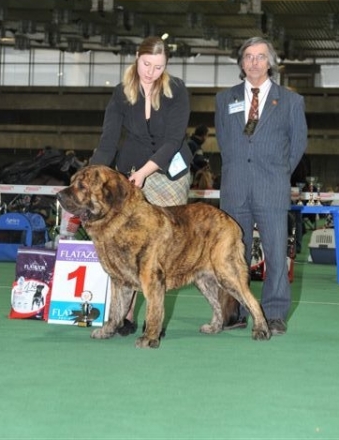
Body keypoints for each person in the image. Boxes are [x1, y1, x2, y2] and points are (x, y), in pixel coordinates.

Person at [89, 36, 192, 335]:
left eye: (159, 67)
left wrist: (146, 172)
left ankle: (155, 319)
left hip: (167, 171)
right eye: (147, 64)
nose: (151, 72)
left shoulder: (177, 90)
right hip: (129, 172)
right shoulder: (122, 93)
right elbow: (109, 139)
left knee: (160, 246)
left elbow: (174, 140)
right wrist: (93, 174)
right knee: (127, 245)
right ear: (137, 57)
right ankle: (126, 316)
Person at [215, 37, 307, 335]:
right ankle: (235, 311)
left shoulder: (291, 101)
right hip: (235, 187)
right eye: (248, 57)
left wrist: (279, 173)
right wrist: (239, 168)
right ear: (242, 63)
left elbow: (298, 144)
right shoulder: (224, 99)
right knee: (231, 255)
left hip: (272, 188)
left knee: (276, 255)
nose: (254, 62)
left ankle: (275, 313)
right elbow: (224, 142)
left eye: (260, 57)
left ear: (271, 62)